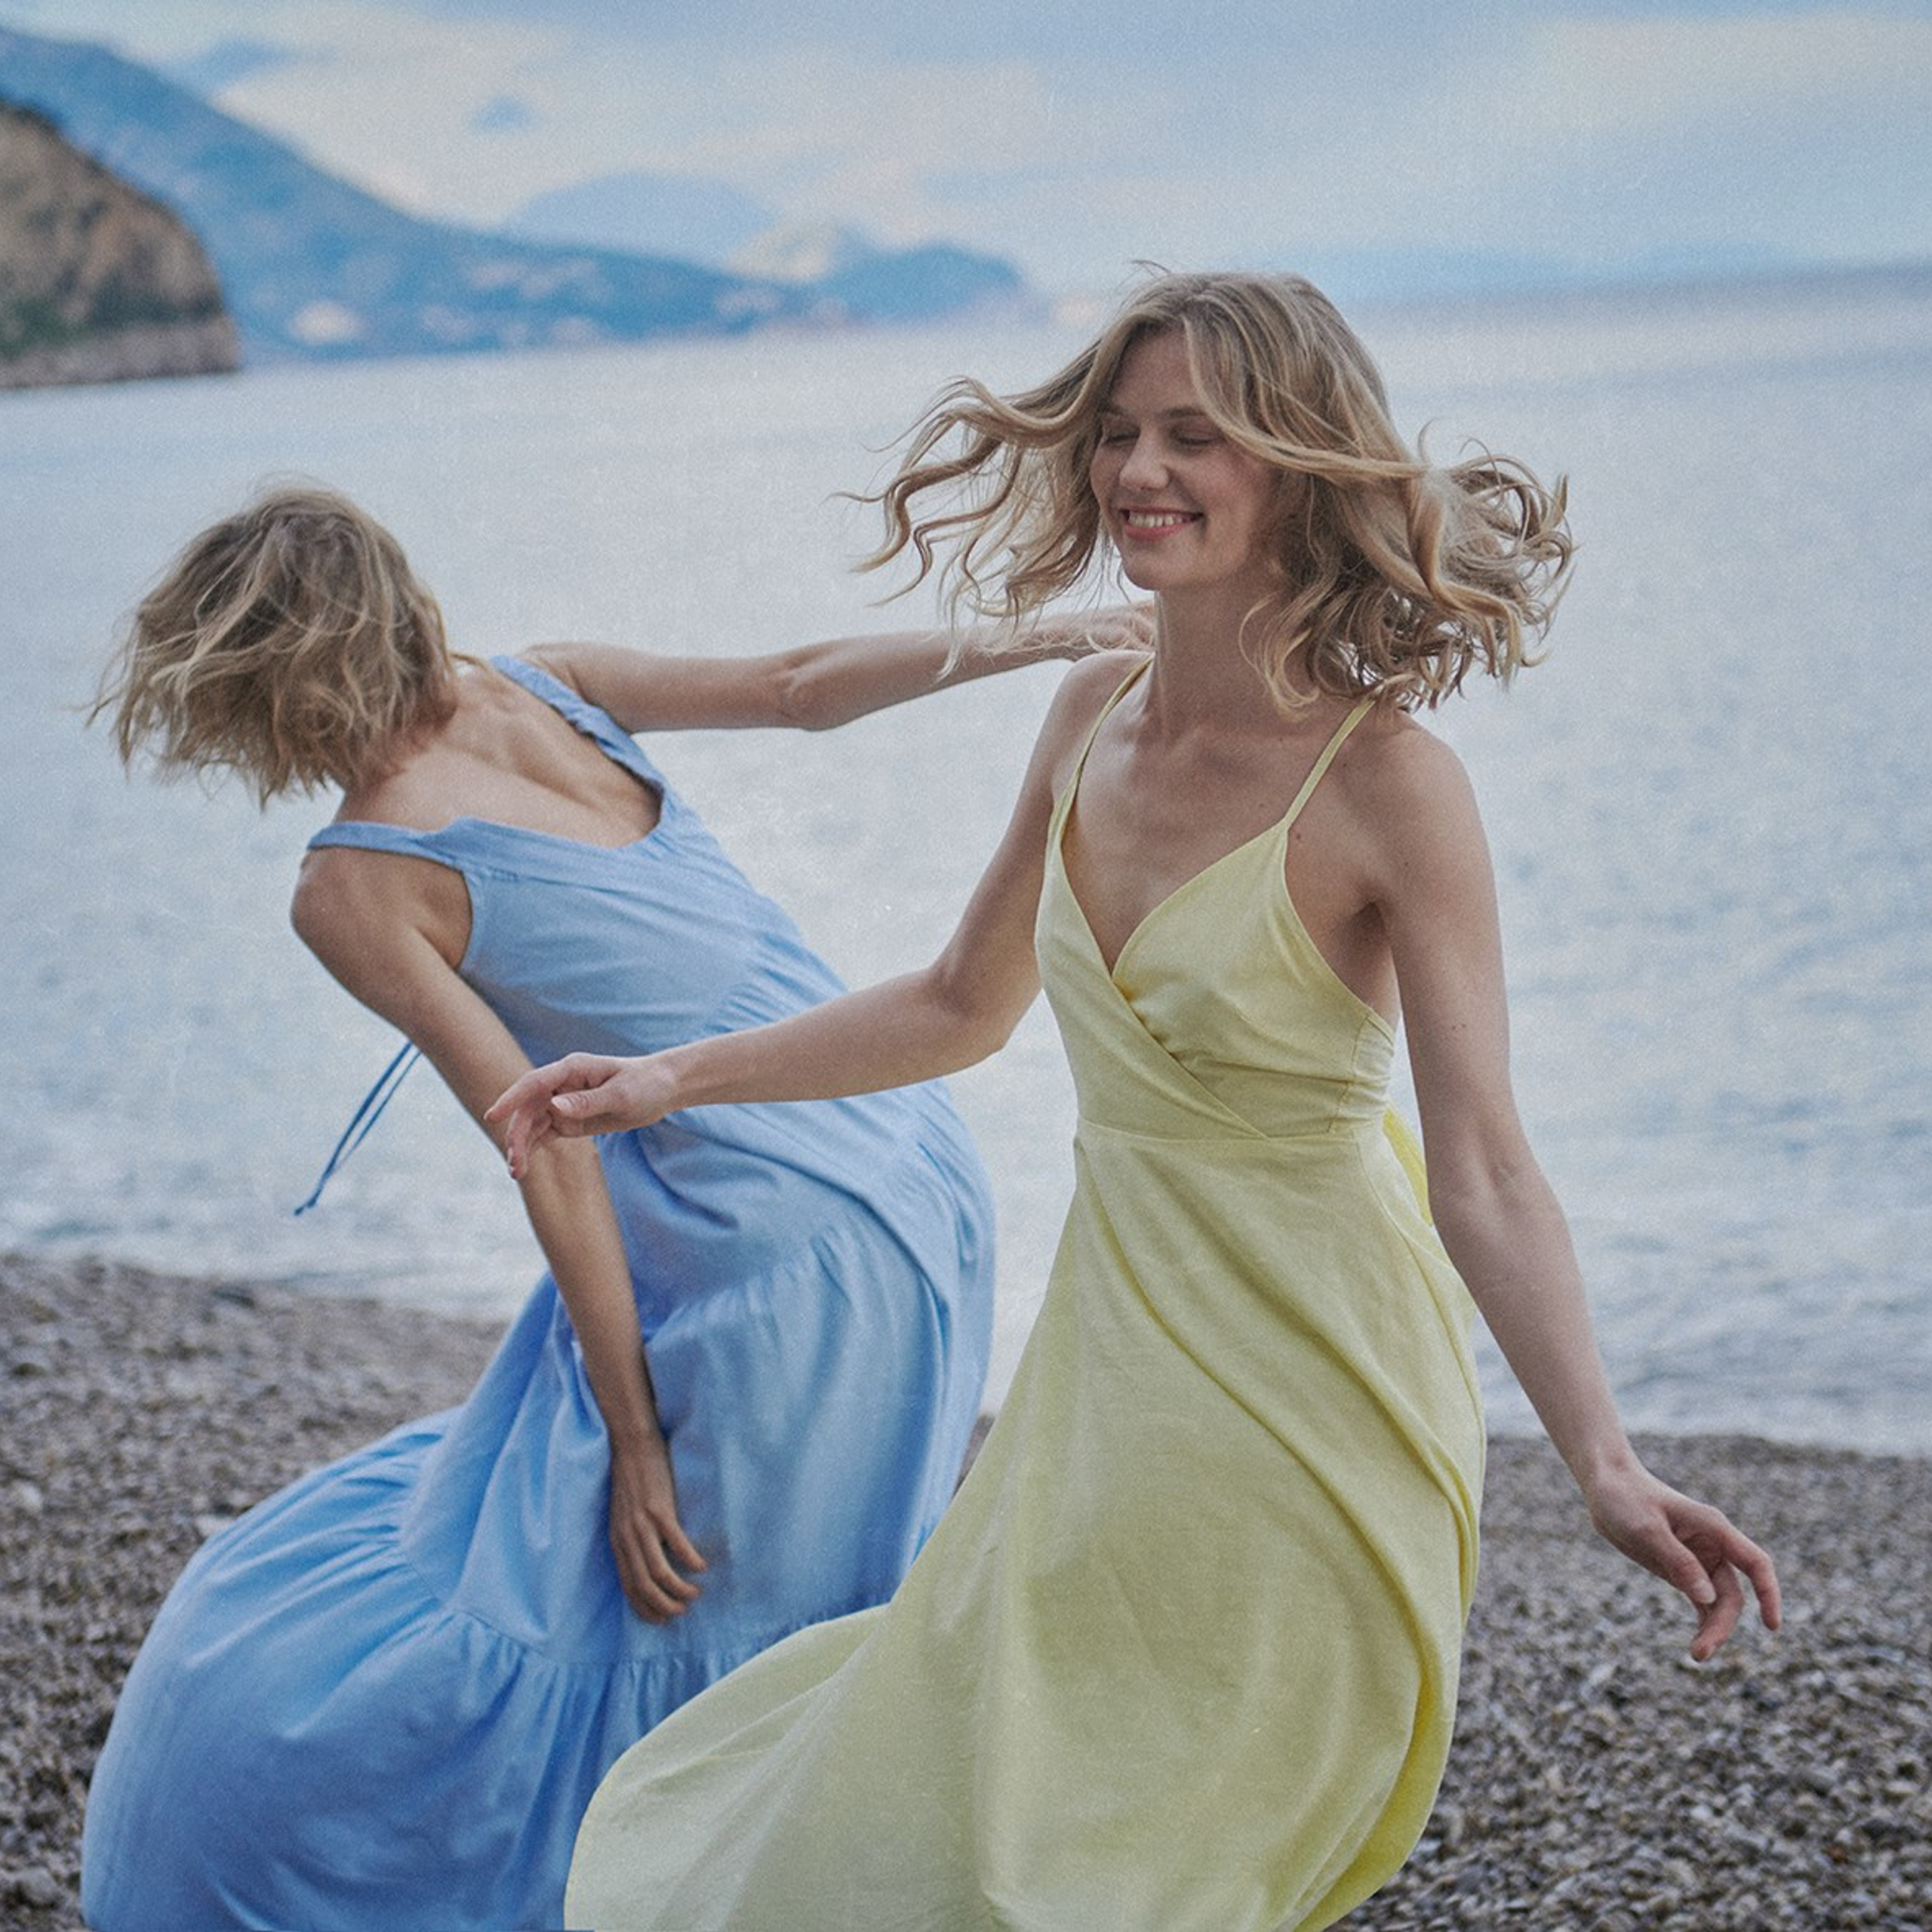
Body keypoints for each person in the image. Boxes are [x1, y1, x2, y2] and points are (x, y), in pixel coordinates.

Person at [491, 272, 1783, 1932]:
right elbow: (961, 1004)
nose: (1133, 471)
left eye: (1192, 434)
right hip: (1106, 1370)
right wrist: (671, 1077)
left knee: (1178, 1843)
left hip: (1319, 1380)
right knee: (986, 1785)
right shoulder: (1085, 712)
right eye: (1115, 433)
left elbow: (1481, 1162)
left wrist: (1596, 1456)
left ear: (1295, 465)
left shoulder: (1389, 784)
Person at [81, 484, 1145, 1932]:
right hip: (907, 1153)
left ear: (273, 680)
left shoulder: (353, 883)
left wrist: (634, 1438)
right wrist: (1051, 636)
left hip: (773, 1246)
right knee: (804, 1608)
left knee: (690, 1621)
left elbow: (553, 1147)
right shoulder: (548, 685)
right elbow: (801, 688)